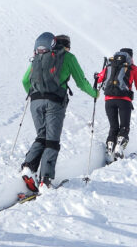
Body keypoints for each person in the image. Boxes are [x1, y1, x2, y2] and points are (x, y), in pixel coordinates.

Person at [21, 33, 97, 192]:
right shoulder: (68, 57)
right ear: (67, 45)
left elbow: (25, 80)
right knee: (52, 140)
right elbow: (81, 82)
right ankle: (45, 181)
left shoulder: (41, 56)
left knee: (41, 136)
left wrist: (35, 94)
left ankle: (28, 167)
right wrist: (94, 93)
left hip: (35, 101)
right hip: (54, 102)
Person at [96, 48, 137, 163]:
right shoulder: (133, 67)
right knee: (124, 127)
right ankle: (119, 147)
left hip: (109, 100)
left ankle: (110, 152)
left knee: (113, 127)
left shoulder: (110, 64)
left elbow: (99, 79)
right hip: (124, 100)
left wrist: (97, 76)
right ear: (130, 57)